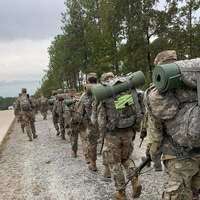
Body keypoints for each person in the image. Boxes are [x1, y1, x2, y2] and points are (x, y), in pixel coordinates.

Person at [144, 50, 200, 200]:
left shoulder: (160, 92)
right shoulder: (195, 81)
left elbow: (156, 133)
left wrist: (151, 153)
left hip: (177, 157)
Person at [95, 72, 145, 199]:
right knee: (126, 158)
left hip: (112, 134)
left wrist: (103, 134)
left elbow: (100, 121)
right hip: (128, 130)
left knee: (114, 162)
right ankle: (134, 179)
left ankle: (121, 192)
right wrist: (135, 128)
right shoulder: (129, 89)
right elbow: (139, 111)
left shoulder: (105, 94)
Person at [77, 73, 99, 171]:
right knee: (106, 144)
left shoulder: (85, 95)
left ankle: (93, 164)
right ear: (97, 81)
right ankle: (107, 168)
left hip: (92, 124)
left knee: (92, 144)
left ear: (87, 83)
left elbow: (80, 112)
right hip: (105, 123)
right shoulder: (104, 91)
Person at [63, 88, 86, 158]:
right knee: (84, 140)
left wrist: (67, 123)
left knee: (74, 140)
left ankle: (74, 152)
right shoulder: (81, 100)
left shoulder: (68, 102)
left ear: (69, 94)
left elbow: (67, 114)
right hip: (82, 122)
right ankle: (87, 156)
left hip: (73, 123)